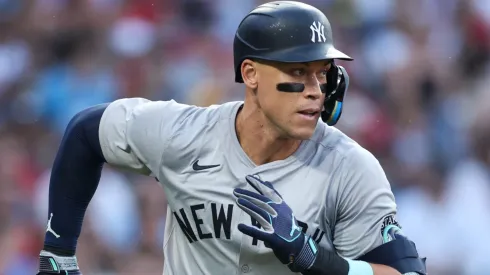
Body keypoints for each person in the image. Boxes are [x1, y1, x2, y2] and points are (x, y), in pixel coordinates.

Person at [37, 1, 427, 275]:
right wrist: (59, 253)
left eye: (323, 73)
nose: (316, 90)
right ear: (251, 74)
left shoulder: (349, 168)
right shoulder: (183, 134)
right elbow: (86, 132)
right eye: (298, 72)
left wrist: (318, 261)